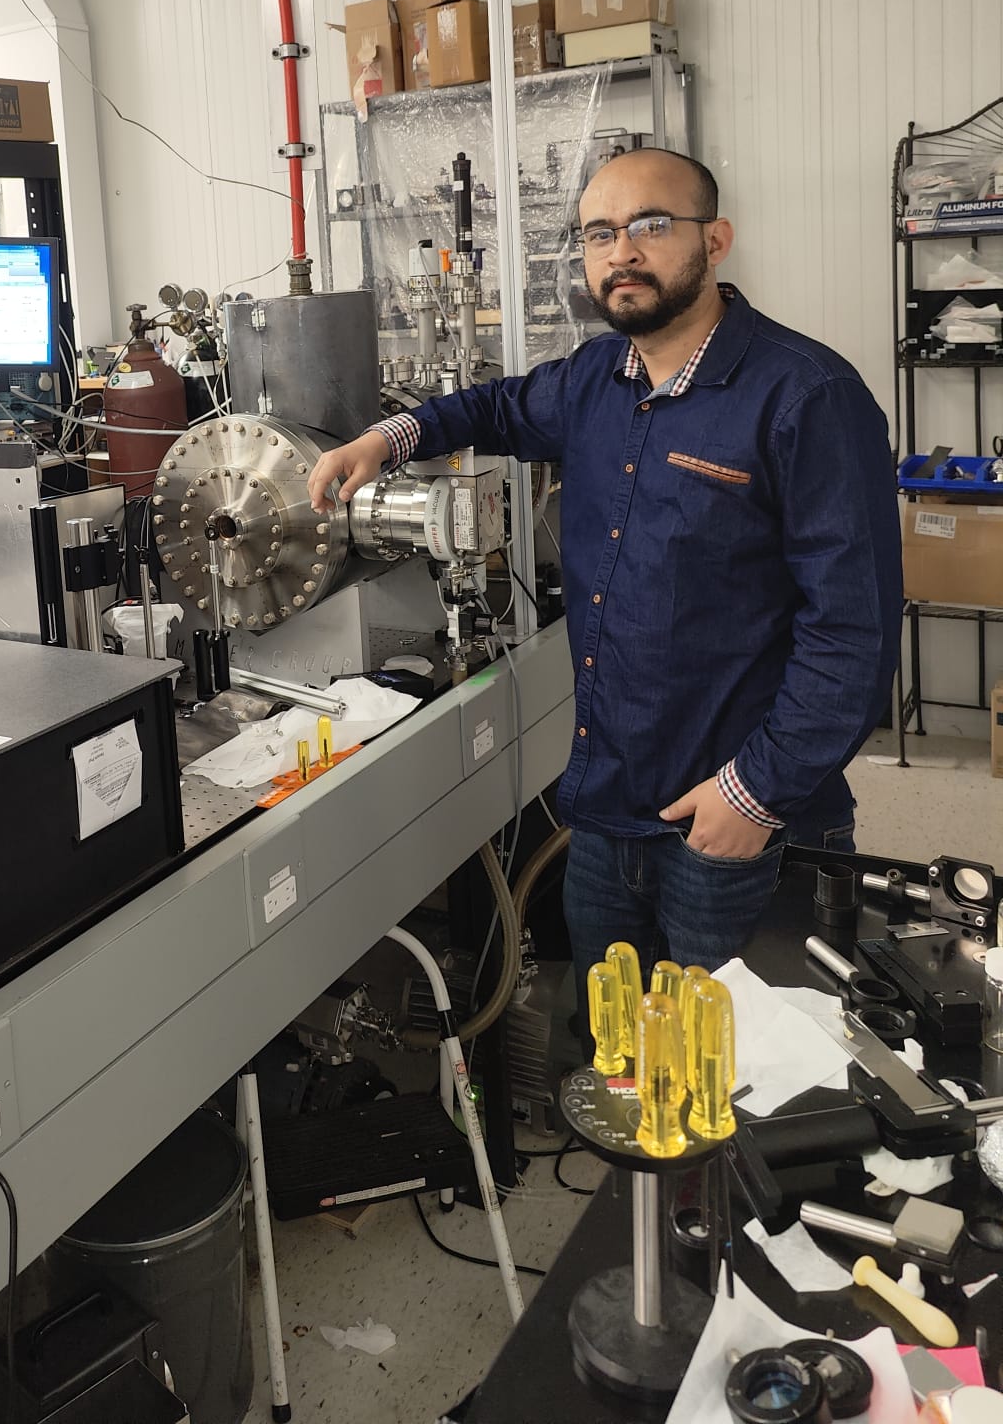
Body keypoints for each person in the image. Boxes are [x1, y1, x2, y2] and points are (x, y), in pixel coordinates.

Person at [306, 148, 901, 989]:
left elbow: (855, 634)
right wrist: (383, 439)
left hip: (736, 823)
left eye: (651, 225)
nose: (621, 252)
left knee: (741, 1093)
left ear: (716, 239)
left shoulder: (806, 397)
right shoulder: (596, 376)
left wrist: (756, 795)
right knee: (614, 1069)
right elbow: (496, 406)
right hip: (607, 809)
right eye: (598, 233)